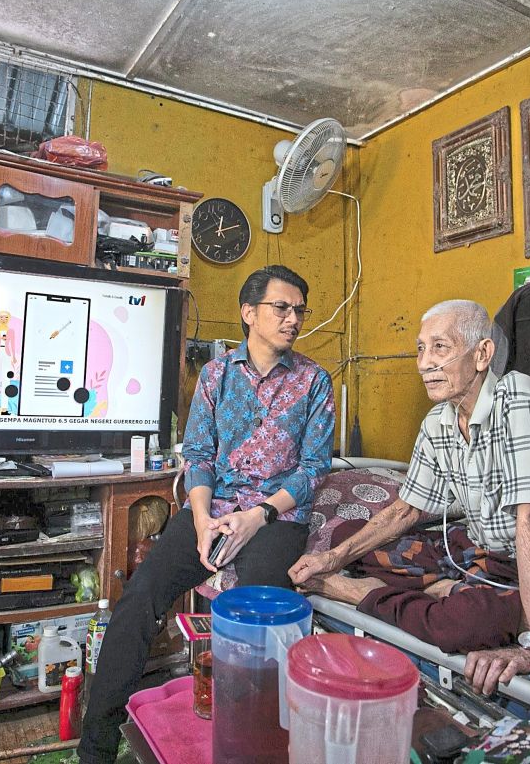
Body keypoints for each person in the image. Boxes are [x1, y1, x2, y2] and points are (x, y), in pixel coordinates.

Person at [78, 264, 335, 764]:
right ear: (249, 313)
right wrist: (200, 524)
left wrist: (257, 515)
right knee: (140, 598)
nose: (292, 319)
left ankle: (254, 743)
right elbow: (198, 455)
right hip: (212, 511)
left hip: (276, 517)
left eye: (299, 310)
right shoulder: (216, 376)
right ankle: (96, 746)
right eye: (281, 308)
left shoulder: (314, 381)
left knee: (258, 604)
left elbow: (313, 470)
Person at [290, 299, 530, 696]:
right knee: (356, 536)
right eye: (420, 349)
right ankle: (439, 591)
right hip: (480, 554)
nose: (424, 363)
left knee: (460, 626)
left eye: (440, 348)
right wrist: (332, 557)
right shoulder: (438, 422)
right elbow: (407, 509)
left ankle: (358, 593)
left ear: (482, 354)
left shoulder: (516, 397)